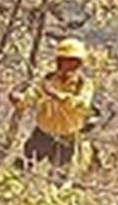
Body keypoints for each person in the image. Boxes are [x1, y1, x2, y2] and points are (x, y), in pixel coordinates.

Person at [13, 38, 96, 176]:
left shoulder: (84, 84)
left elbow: (82, 104)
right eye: (66, 60)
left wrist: (58, 96)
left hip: (67, 137)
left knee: (58, 177)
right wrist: (19, 100)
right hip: (42, 133)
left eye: (73, 61)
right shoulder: (48, 80)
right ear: (59, 61)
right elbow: (32, 97)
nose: (69, 64)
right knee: (22, 167)